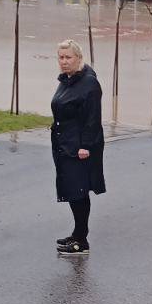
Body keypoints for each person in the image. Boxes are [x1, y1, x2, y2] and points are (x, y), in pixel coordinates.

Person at [50, 38, 105, 255]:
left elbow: (93, 118)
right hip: (64, 143)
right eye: (61, 57)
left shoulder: (89, 83)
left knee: (79, 190)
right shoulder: (67, 79)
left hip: (80, 147)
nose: (64, 62)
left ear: (79, 58)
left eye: (68, 57)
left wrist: (86, 146)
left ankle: (82, 240)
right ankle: (77, 233)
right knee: (72, 190)